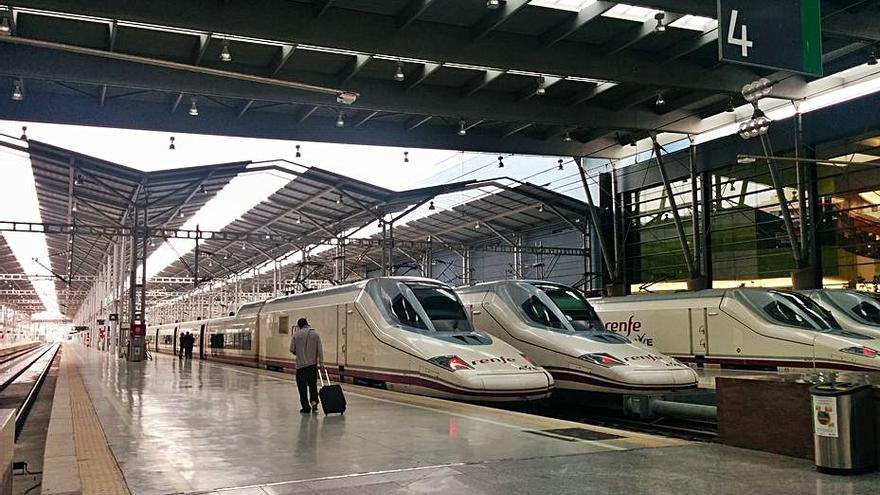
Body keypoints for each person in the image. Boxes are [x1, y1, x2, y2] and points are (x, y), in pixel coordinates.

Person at [290, 317, 323, 414]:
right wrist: (321, 363)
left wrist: (299, 353)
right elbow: (319, 351)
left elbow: (292, 349)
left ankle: (305, 407)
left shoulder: (296, 335)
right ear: (307, 324)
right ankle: (314, 403)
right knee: (313, 385)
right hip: (312, 366)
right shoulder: (316, 335)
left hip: (301, 366)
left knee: (302, 387)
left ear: (299, 326)